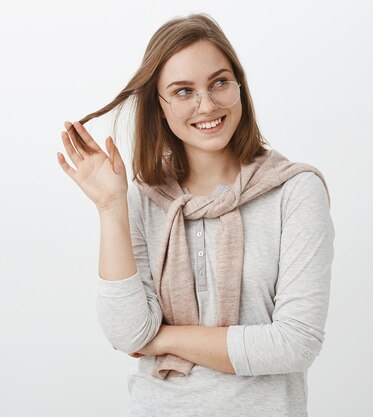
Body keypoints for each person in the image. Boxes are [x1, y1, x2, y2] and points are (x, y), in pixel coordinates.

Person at [57, 13, 334, 416]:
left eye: (220, 82)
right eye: (183, 91)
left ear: (240, 86)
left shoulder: (294, 190)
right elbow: (127, 332)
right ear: (162, 107)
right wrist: (111, 207)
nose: (207, 104)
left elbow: (295, 343)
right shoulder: (144, 199)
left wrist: (163, 339)